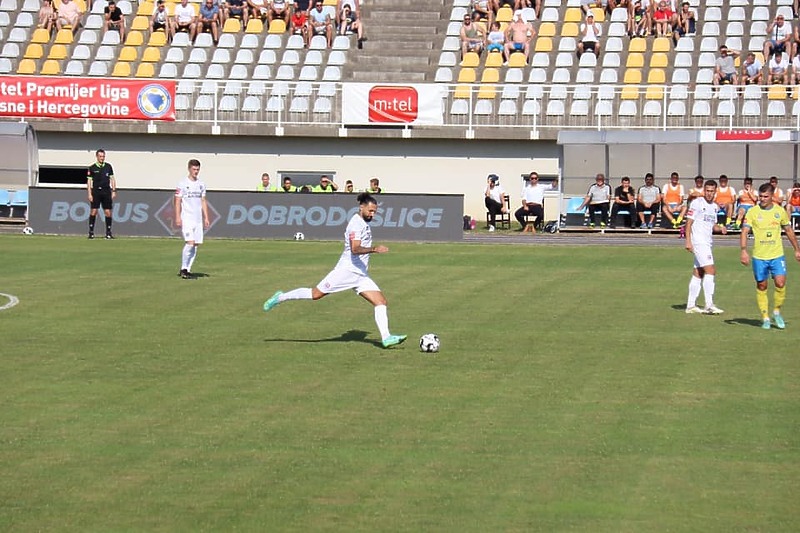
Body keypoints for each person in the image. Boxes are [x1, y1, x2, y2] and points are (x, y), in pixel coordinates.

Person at [263, 192, 408, 349]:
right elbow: (355, 248)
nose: (372, 214)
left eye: (374, 212)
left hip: (360, 275)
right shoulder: (355, 224)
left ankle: (386, 338)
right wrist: (374, 249)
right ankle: (280, 298)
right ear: (361, 207)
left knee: (381, 302)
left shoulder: (364, 223)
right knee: (315, 294)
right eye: (370, 211)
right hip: (346, 272)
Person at [740, 182, 800, 329]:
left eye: (766, 196)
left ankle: (777, 312)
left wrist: (797, 249)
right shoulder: (753, 212)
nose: (762, 199)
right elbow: (744, 232)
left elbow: (789, 231)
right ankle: (765, 317)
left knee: (780, 283)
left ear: (772, 196)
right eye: (760, 196)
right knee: (762, 285)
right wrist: (743, 250)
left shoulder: (780, 211)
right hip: (759, 257)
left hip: (777, 255)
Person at [685, 179, 726, 315]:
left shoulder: (714, 207)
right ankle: (709, 304)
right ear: (704, 191)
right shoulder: (697, 203)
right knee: (711, 271)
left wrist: (720, 228)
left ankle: (690, 305)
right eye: (707, 191)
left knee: (699, 272)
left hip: (707, 242)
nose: (709, 193)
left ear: (715, 192)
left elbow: (712, 225)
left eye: (711, 191)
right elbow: (689, 223)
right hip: (699, 242)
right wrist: (688, 241)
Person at [175, 159, 210, 280]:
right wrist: (177, 217)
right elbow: (177, 201)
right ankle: (183, 268)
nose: (196, 171)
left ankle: (188, 269)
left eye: (198, 169)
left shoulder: (201, 184)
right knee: (189, 243)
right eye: (194, 169)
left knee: (195, 245)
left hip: (198, 219)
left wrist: (206, 217)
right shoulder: (182, 183)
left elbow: (203, 201)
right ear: (189, 169)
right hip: (187, 218)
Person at [86, 149, 116, 239]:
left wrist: (114, 191)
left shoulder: (108, 166)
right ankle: (91, 232)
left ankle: (108, 233)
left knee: (108, 212)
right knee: (94, 211)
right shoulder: (92, 168)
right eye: (100, 156)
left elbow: (112, 179)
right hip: (96, 191)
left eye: (103, 156)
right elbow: (89, 182)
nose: (102, 158)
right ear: (97, 156)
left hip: (106, 191)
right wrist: (89, 194)